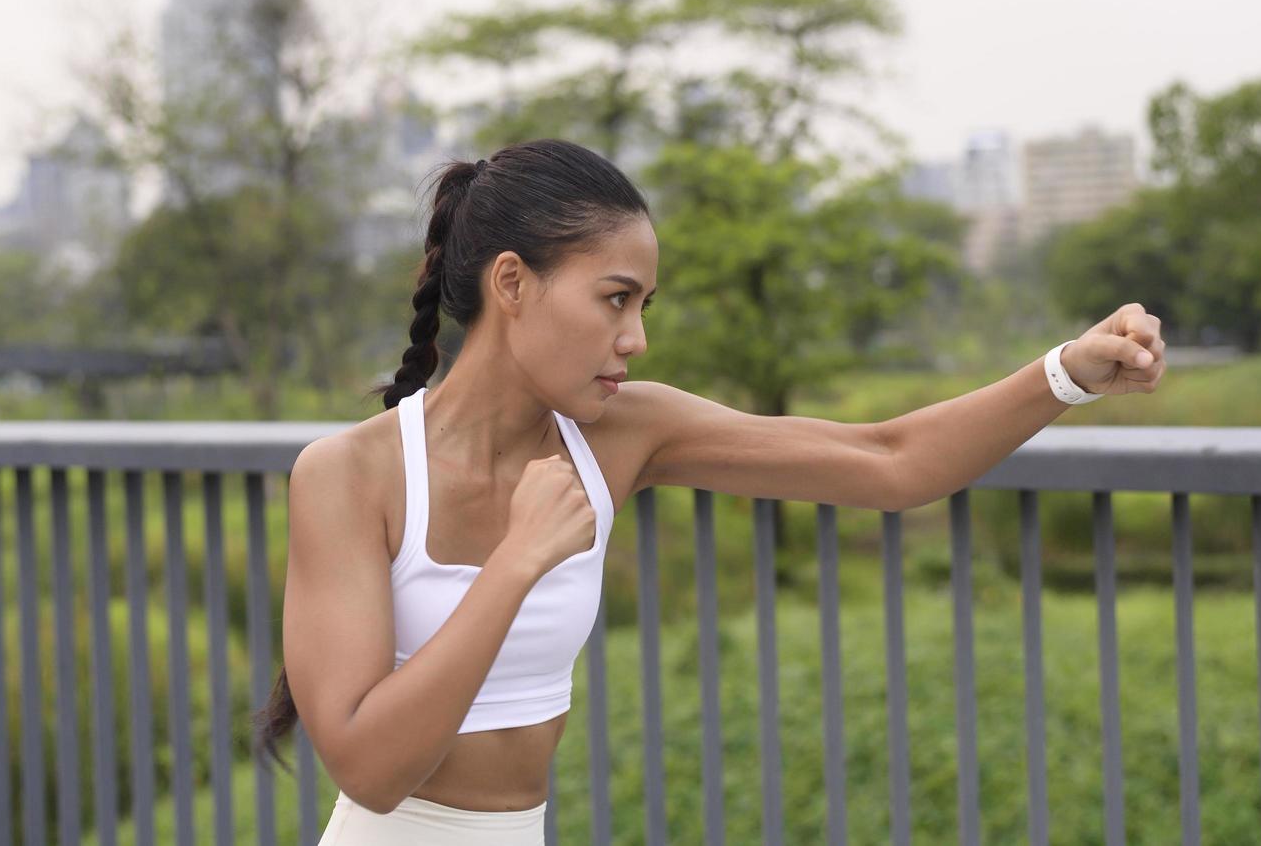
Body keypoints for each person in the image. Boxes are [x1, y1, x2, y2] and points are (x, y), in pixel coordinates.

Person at [251, 137, 1167, 844]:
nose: (635, 337)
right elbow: (370, 768)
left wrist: (1064, 376)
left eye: (644, 305)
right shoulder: (350, 475)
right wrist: (518, 562)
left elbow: (890, 463)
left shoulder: (622, 434)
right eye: (614, 298)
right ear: (511, 283)